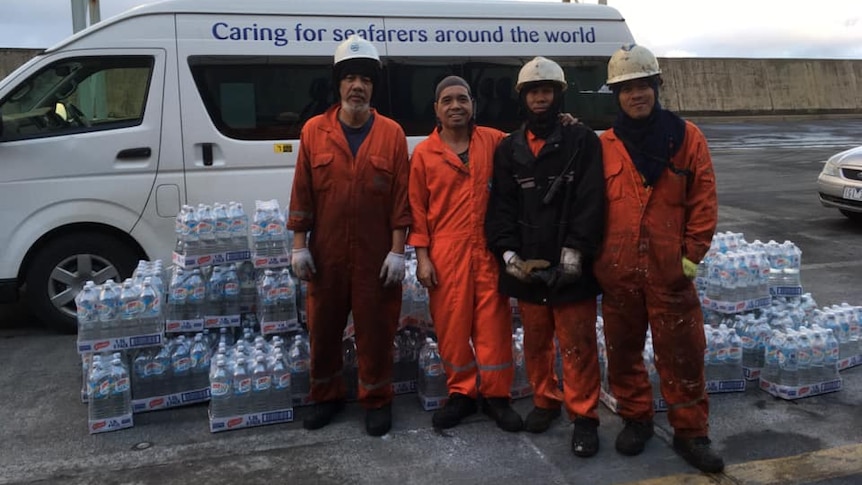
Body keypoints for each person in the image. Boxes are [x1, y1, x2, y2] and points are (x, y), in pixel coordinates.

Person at [595, 43, 723, 473]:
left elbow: (703, 199)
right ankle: (636, 418)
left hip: (671, 269)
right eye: (627, 88)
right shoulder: (605, 145)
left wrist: (691, 256)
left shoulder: (686, 138)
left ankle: (691, 431)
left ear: (656, 87)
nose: (636, 95)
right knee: (624, 350)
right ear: (617, 95)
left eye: (643, 86)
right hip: (619, 270)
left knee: (683, 352)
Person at [287, 35, 410, 437]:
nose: (358, 86)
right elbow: (303, 193)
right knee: (323, 329)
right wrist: (299, 246)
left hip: (376, 254)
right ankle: (326, 397)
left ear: (373, 88)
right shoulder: (314, 131)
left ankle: (376, 399)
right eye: (351, 78)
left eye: (366, 80)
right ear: (338, 84)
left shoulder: (392, 133)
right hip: (327, 253)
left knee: (376, 329)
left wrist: (397, 252)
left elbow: (400, 199)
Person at [485, 56, 606, 457]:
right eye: (533, 91)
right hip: (528, 265)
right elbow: (500, 204)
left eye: (547, 90)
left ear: (558, 95)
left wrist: (576, 253)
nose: (540, 97)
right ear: (523, 97)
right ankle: (545, 400)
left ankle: (584, 416)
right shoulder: (509, 148)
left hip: (572, 263)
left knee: (577, 344)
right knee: (536, 341)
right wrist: (507, 253)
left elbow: (592, 201)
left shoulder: (582, 141)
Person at [408, 75, 523, 433]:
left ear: (473, 104)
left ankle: (496, 397)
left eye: (462, 99)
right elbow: (417, 211)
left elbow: (532, 147)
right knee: (452, 329)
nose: (455, 105)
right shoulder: (425, 154)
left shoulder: (494, 141)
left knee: (494, 327)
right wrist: (423, 258)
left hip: (488, 252)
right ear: (437, 110)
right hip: (446, 253)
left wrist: (565, 125)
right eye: (447, 100)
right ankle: (461, 393)